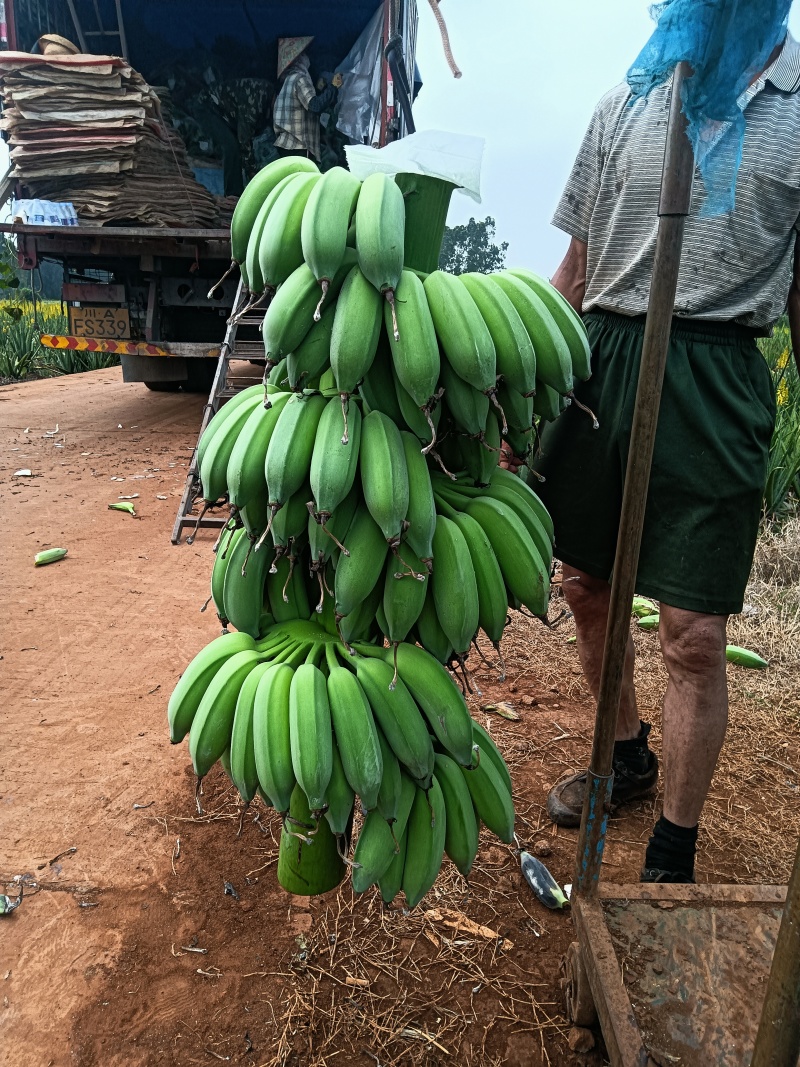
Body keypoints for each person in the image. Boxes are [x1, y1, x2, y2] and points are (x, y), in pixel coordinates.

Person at [529, 31, 800, 884]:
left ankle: (673, 851)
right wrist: (513, 379)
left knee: (694, 635)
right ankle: (627, 755)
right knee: (587, 583)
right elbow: (573, 271)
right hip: (602, 360)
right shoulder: (627, 100)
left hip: (716, 373)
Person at [273, 37, 342, 162]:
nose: (307, 58)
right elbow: (315, 106)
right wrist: (333, 87)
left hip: (286, 144)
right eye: (304, 54)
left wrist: (319, 90)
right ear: (298, 58)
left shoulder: (288, 80)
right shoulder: (300, 78)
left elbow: (304, 105)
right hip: (297, 145)